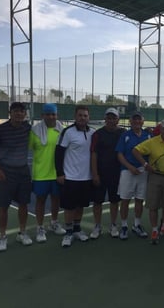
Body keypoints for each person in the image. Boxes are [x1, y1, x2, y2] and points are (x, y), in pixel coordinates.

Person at [0, 102, 32, 251]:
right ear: (10, 113)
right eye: (16, 111)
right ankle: (2, 236)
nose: (19, 114)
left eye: (22, 111)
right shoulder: (0, 129)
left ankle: (22, 233)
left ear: (25, 114)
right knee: (4, 206)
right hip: (6, 172)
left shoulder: (28, 128)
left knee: (24, 204)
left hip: (23, 172)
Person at [133, 119, 164, 244]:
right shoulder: (152, 142)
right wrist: (145, 164)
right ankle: (154, 230)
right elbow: (135, 151)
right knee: (153, 206)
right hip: (155, 176)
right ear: (161, 129)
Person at [55, 105, 95, 247]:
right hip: (70, 177)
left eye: (85, 115)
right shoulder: (68, 132)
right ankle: (68, 232)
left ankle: (77, 230)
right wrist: (60, 173)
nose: (82, 118)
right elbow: (59, 153)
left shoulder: (93, 133)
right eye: (80, 115)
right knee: (69, 207)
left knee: (81, 205)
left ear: (88, 117)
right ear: (75, 117)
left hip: (86, 178)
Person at [29, 103, 66, 243]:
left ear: (57, 115)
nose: (51, 117)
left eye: (53, 114)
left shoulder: (62, 130)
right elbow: (27, 148)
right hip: (40, 174)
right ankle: (40, 227)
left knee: (56, 199)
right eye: (48, 114)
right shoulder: (34, 131)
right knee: (40, 201)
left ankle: (54, 223)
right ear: (42, 115)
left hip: (57, 173)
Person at [89, 107, 126, 239]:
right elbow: (94, 154)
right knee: (97, 202)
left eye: (114, 118)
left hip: (116, 174)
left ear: (118, 119)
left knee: (114, 201)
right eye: (109, 118)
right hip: (100, 174)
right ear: (105, 119)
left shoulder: (123, 133)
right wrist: (95, 174)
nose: (111, 120)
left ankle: (113, 225)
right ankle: (97, 226)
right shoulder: (97, 134)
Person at [115, 111, 151, 240]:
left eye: (139, 119)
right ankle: (124, 226)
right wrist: (130, 167)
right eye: (134, 119)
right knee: (125, 199)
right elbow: (119, 154)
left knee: (139, 199)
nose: (136, 122)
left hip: (143, 172)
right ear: (130, 121)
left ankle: (137, 225)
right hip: (127, 171)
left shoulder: (148, 136)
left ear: (142, 121)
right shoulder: (125, 135)